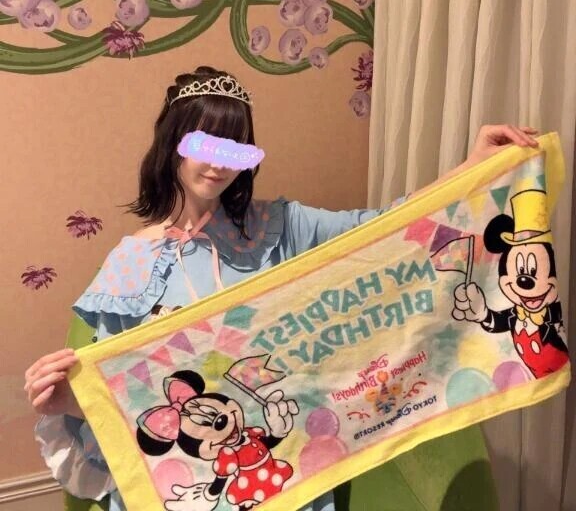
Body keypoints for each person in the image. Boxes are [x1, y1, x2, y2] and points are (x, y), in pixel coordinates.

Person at [24, 65, 539, 511]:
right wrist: (65, 401)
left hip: (286, 473)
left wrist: (473, 168)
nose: (219, 162)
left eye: (234, 147)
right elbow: (127, 397)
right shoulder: (128, 268)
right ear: (174, 143)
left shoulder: (281, 227)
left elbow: (390, 227)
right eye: (205, 143)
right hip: (192, 487)